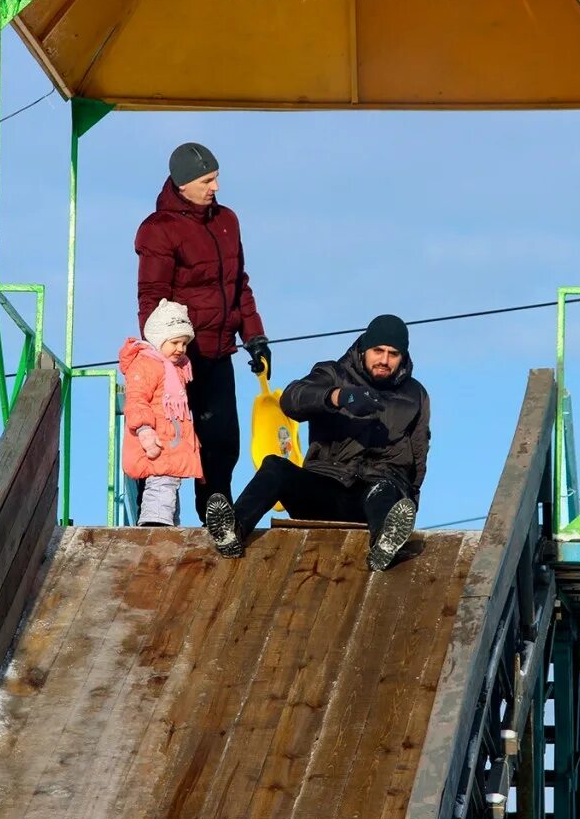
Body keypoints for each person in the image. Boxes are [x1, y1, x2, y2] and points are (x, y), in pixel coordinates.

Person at [204, 314, 430, 571]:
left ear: (403, 357)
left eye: (393, 353)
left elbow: (418, 456)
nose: (385, 360)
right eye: (378, 350)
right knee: (275, 467)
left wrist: (409, 505)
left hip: (372, 497)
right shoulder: (333, 373)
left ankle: (386, 544)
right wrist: (337, 397)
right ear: (365, 348)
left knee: (386, 490)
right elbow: (291, 399)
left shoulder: (415, 394)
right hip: (325, 486)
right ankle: (232, 529)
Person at [135, 142, 271, 523]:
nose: (215, 187)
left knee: (222, 441)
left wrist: (255, 336)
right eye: (207, 180)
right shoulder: (158, 230)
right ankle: (156, 518)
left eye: (216, 178)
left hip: (219, 352)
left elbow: (238, 284)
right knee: (167, 438)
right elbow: (151, 297)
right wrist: (162, 353)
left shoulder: (227, 221)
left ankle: (216, 514)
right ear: (183, 184)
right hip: (177, 359)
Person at [119, 299, 203, 527]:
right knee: (161, 484)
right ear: (159, 339)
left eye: (185, 343)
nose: (181, 349)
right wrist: (145, 431)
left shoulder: (176, 369)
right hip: (156, 440)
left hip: (171, 441)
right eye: (175, 342)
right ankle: (155, 525)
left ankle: (169, 526)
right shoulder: (146, 365)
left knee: (170, 486)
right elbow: (136, 400)